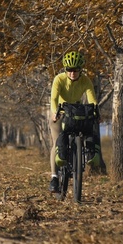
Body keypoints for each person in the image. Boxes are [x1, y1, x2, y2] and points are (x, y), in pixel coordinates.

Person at [48, 51, 101, 193]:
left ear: (80, 70)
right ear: (65, 69)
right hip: (60, 112)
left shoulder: (85, 80)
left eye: (76, 70)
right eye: (69, 70)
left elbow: (92, 99)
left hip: (77, 111)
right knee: (57, 140)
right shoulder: (59, 79)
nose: (72, 73)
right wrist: (55, 113)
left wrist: (95, 111)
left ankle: (79, 155)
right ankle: (54, 177)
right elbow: (53, 99)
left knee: (86, 128)